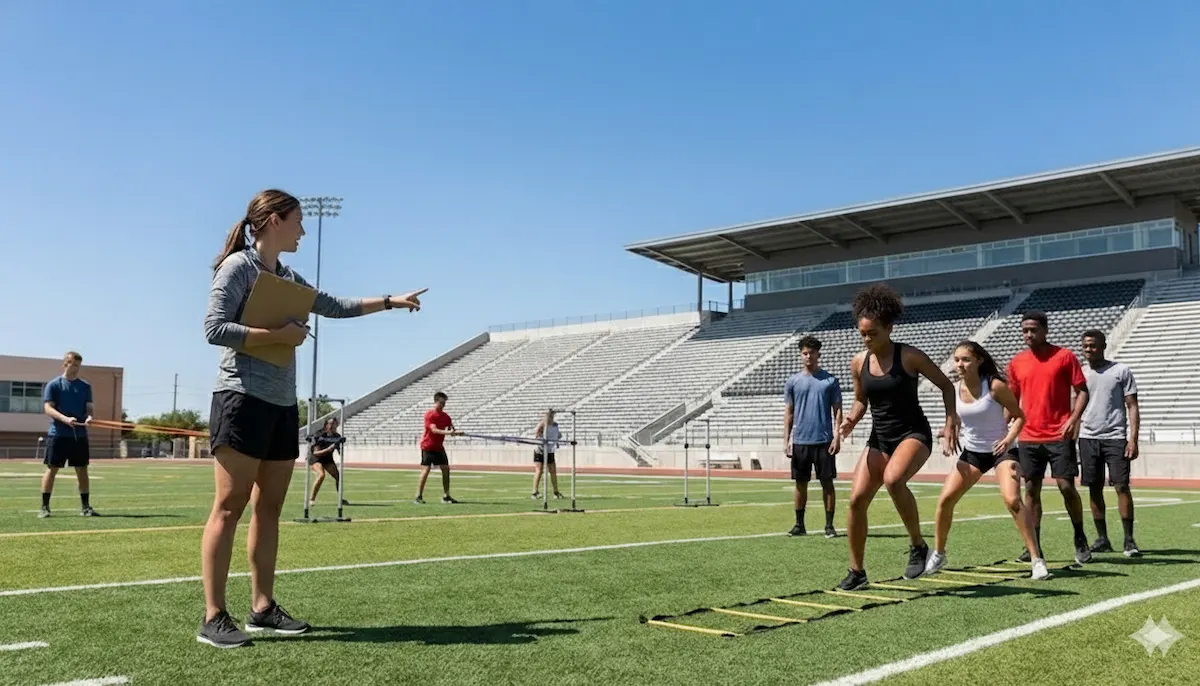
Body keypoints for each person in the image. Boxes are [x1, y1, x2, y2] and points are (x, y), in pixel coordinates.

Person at [201, 189, 426, 649]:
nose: (304, 230)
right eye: (298, 221)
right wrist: (277, 335)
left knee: (270, 509)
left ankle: (262, 607)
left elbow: (335, 305)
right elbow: (214, 329)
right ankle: (214, 617)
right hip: (241, 400)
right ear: (272, 221)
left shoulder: (288, 276)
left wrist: (389, 300)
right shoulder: (238, 267)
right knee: (229, 508)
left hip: (282, 406)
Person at [837, 284, 961, 590]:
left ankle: (918, 545)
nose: (867, 339)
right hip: (879, 438)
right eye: (862, 334)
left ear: (889, 328)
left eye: (873, 333)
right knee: (855, 501)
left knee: (893, 480)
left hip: (913, 433)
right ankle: (857, 571)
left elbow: (947, 385)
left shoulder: (910, 357)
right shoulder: (858, 363)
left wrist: (950, 419)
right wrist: (851, 420)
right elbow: (861, 399)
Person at [926, 341, 1050, 580]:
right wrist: (947, 433)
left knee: (1013, 500)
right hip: (973, 453)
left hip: (1001, 451)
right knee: (945, 501)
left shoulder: (994, 386)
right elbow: (956, 419)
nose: (959, 365)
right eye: (957, 360)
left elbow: (1020, 417)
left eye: (965, 360)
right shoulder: (954, 389)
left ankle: (1036, 560)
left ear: (978, 361)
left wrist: (1008, 439)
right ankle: (939, 554)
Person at [1006, 310, 1092, 566]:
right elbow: (1011, 400)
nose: (1028, 335)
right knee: (1031, 490)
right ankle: (1034, 546)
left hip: (1059, 434)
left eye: (1033, 330)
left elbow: (1082, 391)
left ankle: (1079, 536)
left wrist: (1073, 418)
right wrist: (1004, 429)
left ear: (1045, 330)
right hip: (1028, 437)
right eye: (1024, 331)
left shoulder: (1065, 357)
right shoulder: (1016, 362)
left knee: (1066, 487)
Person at [1079, 329, 1141, 557]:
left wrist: (1132, 439)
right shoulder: (1081, 373)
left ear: (1103, 345)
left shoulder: (1121, 371)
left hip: (1115, 438)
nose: (1089, 350)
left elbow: (1132, 406)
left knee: (1121, 486)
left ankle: (1129, 539)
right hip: (1087, 438)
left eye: (1093, 346)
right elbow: (1076, 407)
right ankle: (1102, 538)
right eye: (1085, 346)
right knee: (1094, 489)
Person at [783, 335, 843, 538]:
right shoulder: (793, 381)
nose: (808, 356)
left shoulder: (830, 380)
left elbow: (837, 410)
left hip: (824, 440)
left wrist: (837, 437)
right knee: (800, 483)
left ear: (818, 354)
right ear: (801, 355)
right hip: (800, 440)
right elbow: (789, 412)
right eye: (805, 353)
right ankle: (799, 525)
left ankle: (829, 525)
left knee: (827, 482)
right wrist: (786, 440)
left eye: (812, 353)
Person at [39, 351, 99, 518]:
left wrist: (89, 418)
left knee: (82, 469)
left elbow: (89, 409)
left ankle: (86, 507)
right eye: (73, 364)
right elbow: (48, 408)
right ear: (65, 364)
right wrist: (65, 419)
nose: (76, 368)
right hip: (58, 434)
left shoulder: (85, 386)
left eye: (78, 365)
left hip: (79, 435)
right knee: (52, 469)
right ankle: (45, 507)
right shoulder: (54, 385)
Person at [415, 391, 461, 504]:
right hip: (428, 445)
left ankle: (446, 496)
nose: (443, 405)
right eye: (441, 402)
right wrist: (448, 433)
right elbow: (434, 429)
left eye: (444, 403)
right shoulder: (429, 415)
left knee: (446, 469)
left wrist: (456, 433)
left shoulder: (446, 417)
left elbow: (452, 430)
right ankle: (418, 496)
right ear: (435, 402)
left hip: (439, 447)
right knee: (426, 469)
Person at [307, 417, 348, 508]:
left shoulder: (337, 436)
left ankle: (340, 498)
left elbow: (338, 448)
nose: (333, 426)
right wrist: (328, 449)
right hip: (316, 458)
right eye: (331, 424)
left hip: (328, 459)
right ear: (326, 425)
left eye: (335, 424)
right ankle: (311, 499)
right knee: (321, 475)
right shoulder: (319, 434)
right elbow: (316, 453)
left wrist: (339, 450)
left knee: (338, 477)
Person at [532, 408, 564, 500]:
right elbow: (536, 434)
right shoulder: (542, 424)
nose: (550, 417)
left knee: (553, 470)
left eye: (552, 415)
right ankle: (534, 492)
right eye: (549, 415)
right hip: (540, 449)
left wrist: (556, 440)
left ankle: (556, 492)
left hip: (550, 450)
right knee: (539, 470)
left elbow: (558, 435)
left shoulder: (555, 425)